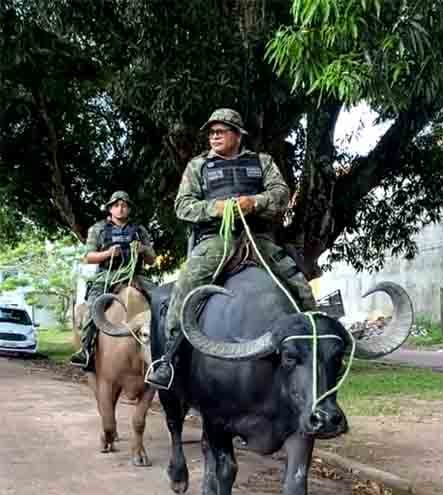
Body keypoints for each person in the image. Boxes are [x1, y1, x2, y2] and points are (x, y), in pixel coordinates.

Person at [146, 108, 316, 389]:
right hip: (216, 240)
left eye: (221, 131)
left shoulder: (262, 162)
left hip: (258, 239)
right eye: (211, 132)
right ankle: (169, 358)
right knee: (187, 284)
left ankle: (315, 344)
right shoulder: (198, 166)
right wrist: (217, 207)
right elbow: (183, 206)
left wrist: (255, 202)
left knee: (299, 285)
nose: (214, 136)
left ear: (238, 135)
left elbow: (281, 194)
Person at [70, 190, 156, 370]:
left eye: (124, 205)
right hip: (107, 275)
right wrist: (108, 253)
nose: (120, 209)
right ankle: (85, 350)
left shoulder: (140, 230)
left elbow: (152, 259)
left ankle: (166, 352)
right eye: (116, 206)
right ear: (110, 209)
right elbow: (88, 257)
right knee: (93, 308)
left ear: (129, 209)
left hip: (136, 275)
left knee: (162, 302)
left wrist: (143, 250)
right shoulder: (98, 229)